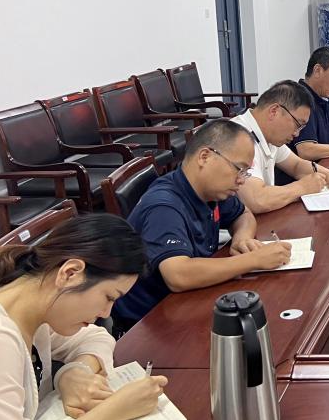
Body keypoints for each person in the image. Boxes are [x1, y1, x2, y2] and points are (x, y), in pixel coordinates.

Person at [0, 214, 168, 420]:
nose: (106, 313)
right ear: (70, 273)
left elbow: (96, 337)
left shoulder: (34, 307)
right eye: (109, 297)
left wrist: (73, 373)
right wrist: (113, 411)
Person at [111, 120, 293, 332]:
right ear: (205, 157)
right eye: (239, 169)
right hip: (151, 324)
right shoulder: (164, 206)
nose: (241, 180)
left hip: (191, 299)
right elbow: (178, 275)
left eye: (245, 172)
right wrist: (253, 260)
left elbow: (243, 214)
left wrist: (242, 238)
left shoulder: (209, 189)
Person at [231, 80, 329, 214]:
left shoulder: (269, 135)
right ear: (274, 111)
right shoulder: (237, 137)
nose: (297, 134)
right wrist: (302, 187)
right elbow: (256, 200)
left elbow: (296, 165)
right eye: (298, 124)